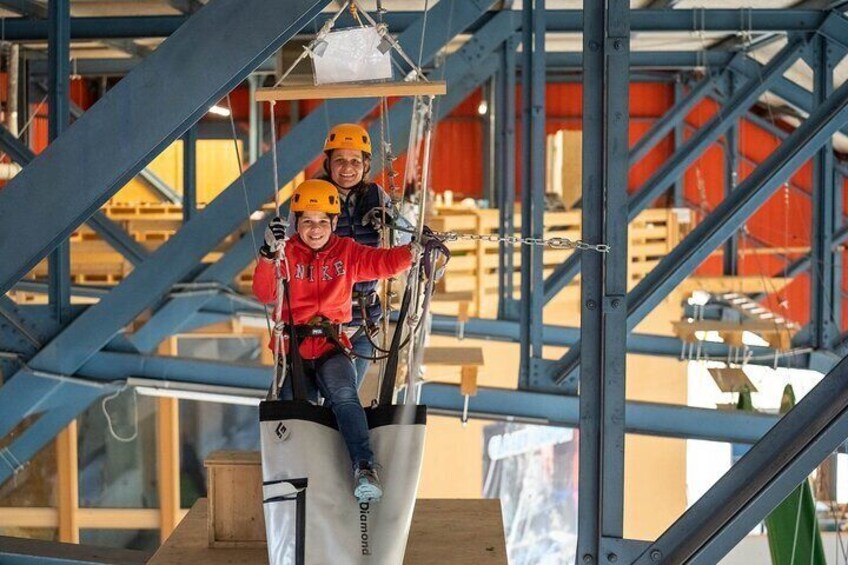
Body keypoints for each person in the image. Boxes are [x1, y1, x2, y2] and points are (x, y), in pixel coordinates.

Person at [252, 179, 417, 503]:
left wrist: (414, 251)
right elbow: (265, 293)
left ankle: (364, 466)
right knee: (290, 406)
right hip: (293, 350)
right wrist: (269, 256)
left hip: (331, 345)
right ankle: (290, 472)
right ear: (297, 223)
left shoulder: (347, 252)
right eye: (308, 222)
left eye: (323, 222)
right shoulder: (286, 253)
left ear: (334, 223)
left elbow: (382, 263)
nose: (315, 229)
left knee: (344, 393)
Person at [321, 123, 395, 388]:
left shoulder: (378, 196)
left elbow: (402, 240)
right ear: (328, 163)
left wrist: (394, 224)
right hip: (326, 320)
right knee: (335, 394)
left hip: (365, 317)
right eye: (339, 160)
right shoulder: (311, 196)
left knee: (349, 391)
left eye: (355, 160)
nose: (347, 168)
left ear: (366, 165)